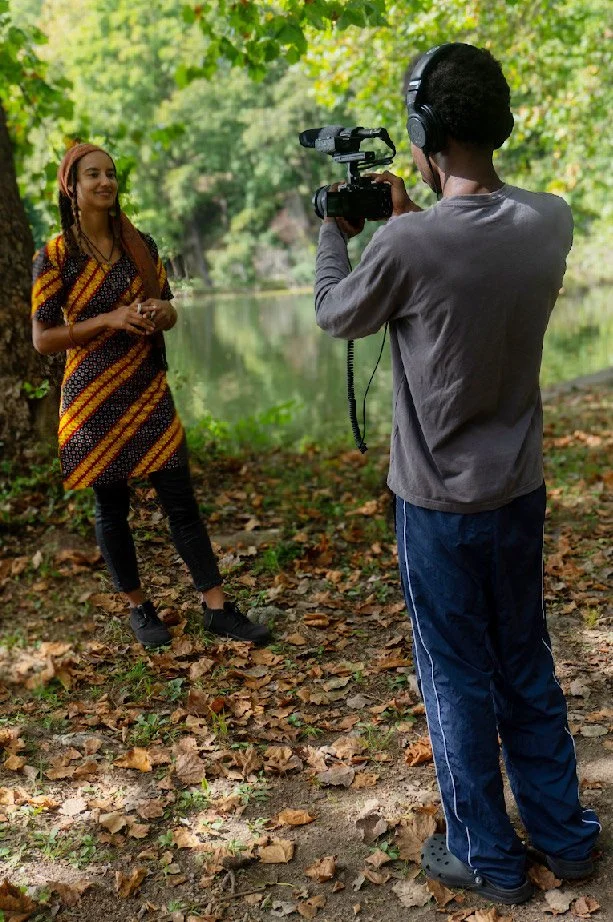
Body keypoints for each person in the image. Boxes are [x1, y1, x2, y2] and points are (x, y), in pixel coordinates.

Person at [314, 44, 600, 904]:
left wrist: (336, 231)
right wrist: (412, 217)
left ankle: (485, 854)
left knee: (452, 675)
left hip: (437, 505)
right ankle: (565, 836)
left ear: (421, 132)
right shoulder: (551, 218)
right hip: (519, 491)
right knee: (523, 659)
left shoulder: (406, 243)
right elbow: (464, 248)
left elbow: (336, 311)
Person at [31, 142, 270, 649]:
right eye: (92, 174)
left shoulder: (142, 244)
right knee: (111, 505)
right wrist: (108, 319)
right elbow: (43, 338)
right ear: (70, 186)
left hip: (145, 386)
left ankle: (218, 609)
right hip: (92, 396)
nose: (105, 182)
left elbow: (168, 307)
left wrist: (162, 313)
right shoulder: (53, 256)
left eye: (111, 174)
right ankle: (140, 608)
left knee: (180, 498)